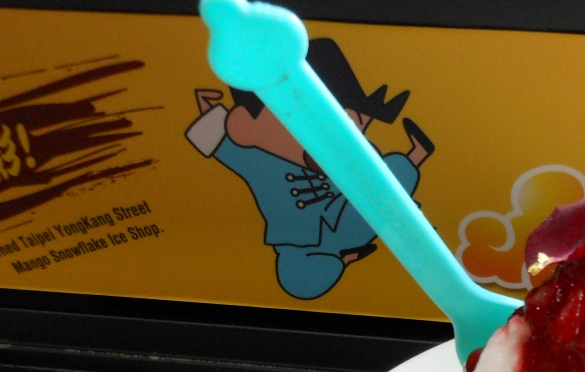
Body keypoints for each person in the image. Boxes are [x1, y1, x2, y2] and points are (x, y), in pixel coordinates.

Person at [185, 38, 434, 300]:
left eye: (349, 122)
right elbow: (221, 142)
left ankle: (415, 158)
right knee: (297, 279)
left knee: (388, 174)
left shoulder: (343, 163)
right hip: (296, 244)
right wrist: (209, 114)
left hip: (348, 215)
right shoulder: (258, 161)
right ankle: (346, 256)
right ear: (246, 127)